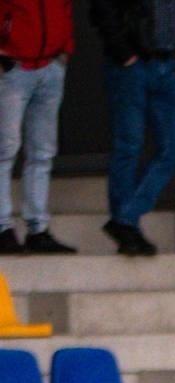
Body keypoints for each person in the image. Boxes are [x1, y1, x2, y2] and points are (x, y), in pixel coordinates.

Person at [89, 0, 175, 257]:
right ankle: (128, 228)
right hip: (131, 63)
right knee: (129, 144)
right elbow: (101, 10)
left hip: (166, 62)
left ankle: (126, 218)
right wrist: (123, 52)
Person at [0, 0, 77, 255]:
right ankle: (2, 228)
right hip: (14, 68)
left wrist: (65, 48)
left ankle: (38, 229)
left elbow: (64, 7)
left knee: (42, 151)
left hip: (50, 67)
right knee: (5, 149)